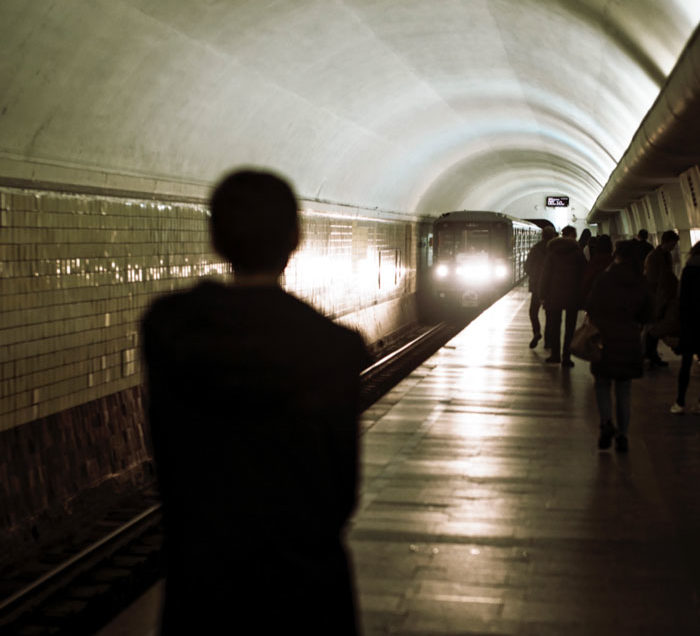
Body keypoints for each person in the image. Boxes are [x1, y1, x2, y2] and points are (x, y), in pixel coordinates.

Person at [141, 169, 368, 635]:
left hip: (202, 583)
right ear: (295, 237)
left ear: (216, 237)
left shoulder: (168, 329)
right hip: (306, 586)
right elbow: (340, 490)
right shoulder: (335, 347)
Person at [586, 240, 653, 452]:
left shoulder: (605, 277)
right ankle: (623, 436)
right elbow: (647, 314)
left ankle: (606, 422)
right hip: (630, 340)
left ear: (618, 255)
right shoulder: (641, 281)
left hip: (605, 340)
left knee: (602, 384)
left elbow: (591, 306)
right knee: (624, 390)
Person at [539, 225, 587, 367]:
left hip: (553, 295)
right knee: (570, 327)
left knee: (554, 325)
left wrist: (542, 294)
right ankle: (567, 357)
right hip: (573, 295)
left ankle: (555, 355)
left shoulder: (552, 253)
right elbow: (584, 274)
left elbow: (545, 276)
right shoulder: (578, 254)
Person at [670, 241, 700, 414]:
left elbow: (681, 298)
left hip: (690, 323)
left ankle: (680, 401)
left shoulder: (688, 271)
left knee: (686, 364)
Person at [643, 230, 679, 367]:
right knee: (653, 328)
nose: (674, 247)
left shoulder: (666, 256)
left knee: (656, 327)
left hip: (663, 296)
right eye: (673, 244)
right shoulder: (654, 257)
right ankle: (649, 354)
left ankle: (651, 354)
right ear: (667, 242)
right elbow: (652, 280)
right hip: (656, 297)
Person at [524, 225, 557, 348]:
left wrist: (534, 276)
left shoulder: (535, 248)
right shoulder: (555, 250)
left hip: (537, 286)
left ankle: (536, 332)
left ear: (542, 235)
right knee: (550, 315)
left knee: (533, 312)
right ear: (553, 235)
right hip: (551, 287)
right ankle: (548, 341)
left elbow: (527, 267)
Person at [580, 234, 613, 302]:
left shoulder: (594, 261)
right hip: (611, 297)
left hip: (595, 296)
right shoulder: (612, 261)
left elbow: (588, 280)